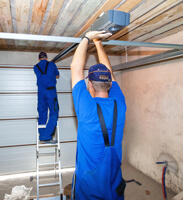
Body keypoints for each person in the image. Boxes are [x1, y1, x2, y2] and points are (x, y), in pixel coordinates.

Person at [70, 31, 127, 199]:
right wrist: (98, 44)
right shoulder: (120, 103)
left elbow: (75, 67)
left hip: (89, 189)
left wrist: (87, 36)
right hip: (114, 183)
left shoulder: (87, 109)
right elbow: (107, 72)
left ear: (90, 85)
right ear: (110, 83)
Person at [34, 52, 60, 143]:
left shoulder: (35, 67)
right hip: (50, 92)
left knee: (42, 113)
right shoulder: (52, 64)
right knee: (54, 112)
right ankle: (47, 136)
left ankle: (42, 136)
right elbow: (57, 75)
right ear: (47, 57)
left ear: (39, 59)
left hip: (41, 93)